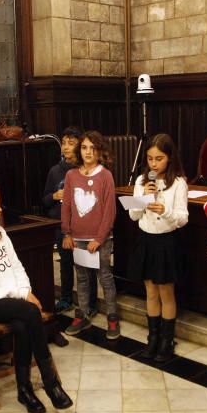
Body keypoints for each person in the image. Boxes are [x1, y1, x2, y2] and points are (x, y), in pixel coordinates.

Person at [0, 186, 72, 413]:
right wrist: (20, 296)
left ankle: (24, 389)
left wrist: (25, 290)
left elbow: (16, 267)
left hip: (14, 300)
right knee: (30, 313)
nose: (0, 209)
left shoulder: (0, 233)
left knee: (22, 326)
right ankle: (52, 384)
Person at [128, 134, 189, 362]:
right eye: (150, 159)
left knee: (166, 292)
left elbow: (183, 218)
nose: (154, 163)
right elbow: (133, 216)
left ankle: (167, 340)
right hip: (146, 240)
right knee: (150, 291)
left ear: (170, 158)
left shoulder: (178, 183)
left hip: (166, 242)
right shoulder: (142, 182)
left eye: (159, 158)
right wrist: (142, 199)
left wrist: (164, 210)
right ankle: (152, 338)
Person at [61, 130, 120, 339]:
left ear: (99, 151)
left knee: (105, 277)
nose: (88, 152)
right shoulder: (71, 175)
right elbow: (67, 205)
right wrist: (67, 233)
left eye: (92, 148)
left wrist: (99, 238)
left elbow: (109, 211)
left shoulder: (105, 176)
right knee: (82, 278)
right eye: (84, 147)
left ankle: (112, 318)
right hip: (77, 237)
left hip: (100, 239)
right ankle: (83, 314)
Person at [41, 126, 96, 314]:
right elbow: (45, 200)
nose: (65, 147)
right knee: (65, 263)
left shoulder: (86, 170)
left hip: (82, 225)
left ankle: (91, 302)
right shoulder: (55, 171)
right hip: (60, 224)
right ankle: (65, 298)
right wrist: (55, 196)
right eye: (63, 143)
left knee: (87, 265)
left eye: (71, 144)